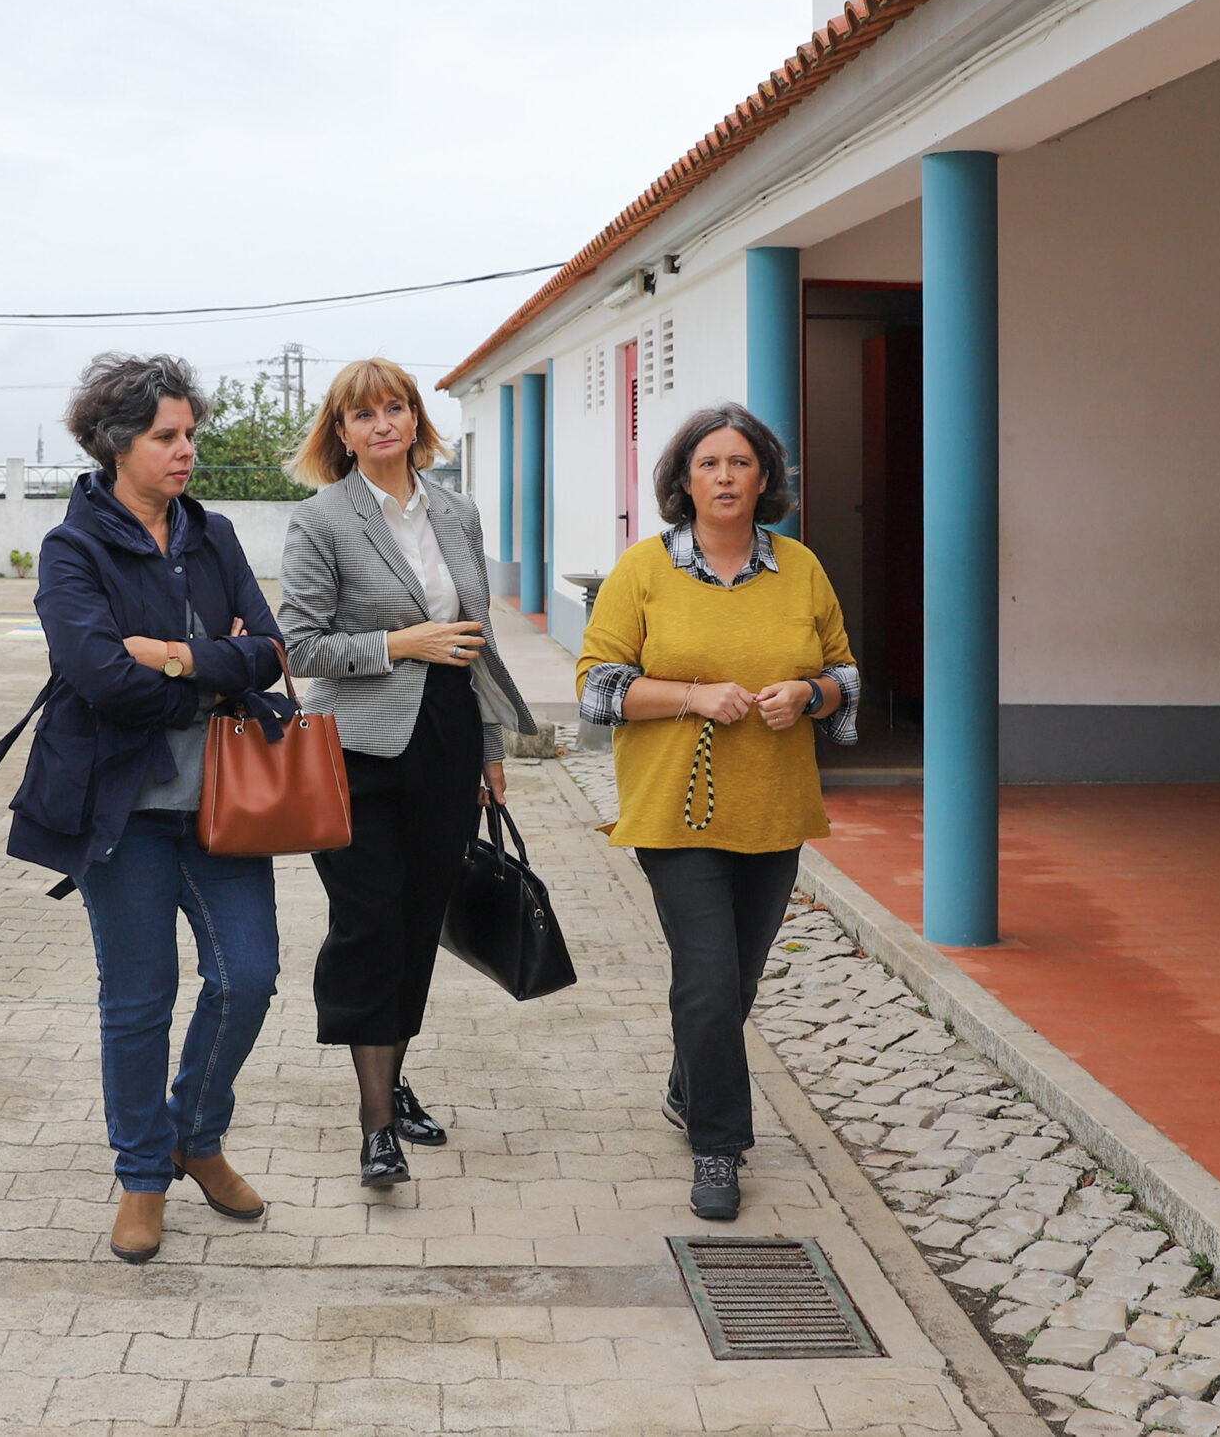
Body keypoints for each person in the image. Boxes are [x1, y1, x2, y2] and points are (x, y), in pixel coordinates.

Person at [4, 353, 288, 1264]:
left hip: (225, 805)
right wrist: (214, 667)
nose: (185, 451)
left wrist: (172, 657)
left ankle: (194, 1134)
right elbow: (96, 674)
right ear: (117, 443)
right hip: (120, 811)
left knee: (249, 978)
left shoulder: (215, 535)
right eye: (167, 436)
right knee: (138, 1001)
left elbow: (271, 650)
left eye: (190, 434)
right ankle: (141, 1176)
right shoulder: (72, 548)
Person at [576, 403, 857, 1222]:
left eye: (741, 463)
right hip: (676, 811)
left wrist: (808, 693)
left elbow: (845, 677)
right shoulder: (644, 569)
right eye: (709, 464)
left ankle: (688, 1084)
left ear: (764, 478)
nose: (725, 477)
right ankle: (719, 1147)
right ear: (685, 481)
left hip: (773, 808)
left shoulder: (801, 568)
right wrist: (693, 696)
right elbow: (597, 687)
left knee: (737, 980)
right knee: (704, 979)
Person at [279, 358, 535, 1189]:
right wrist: (400, 644)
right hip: (351, 749)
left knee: (419, 919)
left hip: (448, 739)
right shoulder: (321, 520)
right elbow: (301, 646)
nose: (383, 423)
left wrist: (490, 749)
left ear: (417, 420)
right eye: (364, 414)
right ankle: (375, 1126)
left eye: (396, 407)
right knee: (368, 924)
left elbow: (477, 640)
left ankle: (391, 1079)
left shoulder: (457, 513)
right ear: (342, 433)